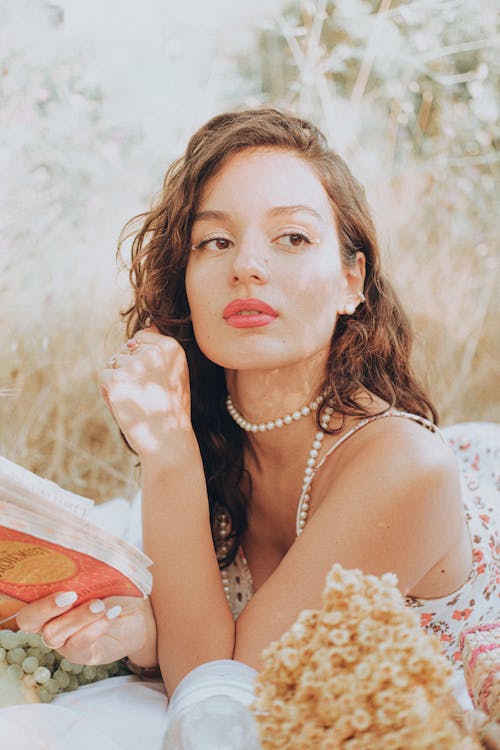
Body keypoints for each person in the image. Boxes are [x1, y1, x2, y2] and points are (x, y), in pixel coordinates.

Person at [11, 109, 498, 745]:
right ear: (184, 283)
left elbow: (225, 694)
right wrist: (142, 636)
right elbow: (210, 637)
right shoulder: (218, 434)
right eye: (215, 241)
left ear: (352, 279)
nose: (247, 266)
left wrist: (168, 451)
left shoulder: (403, 466)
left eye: (292, 238)